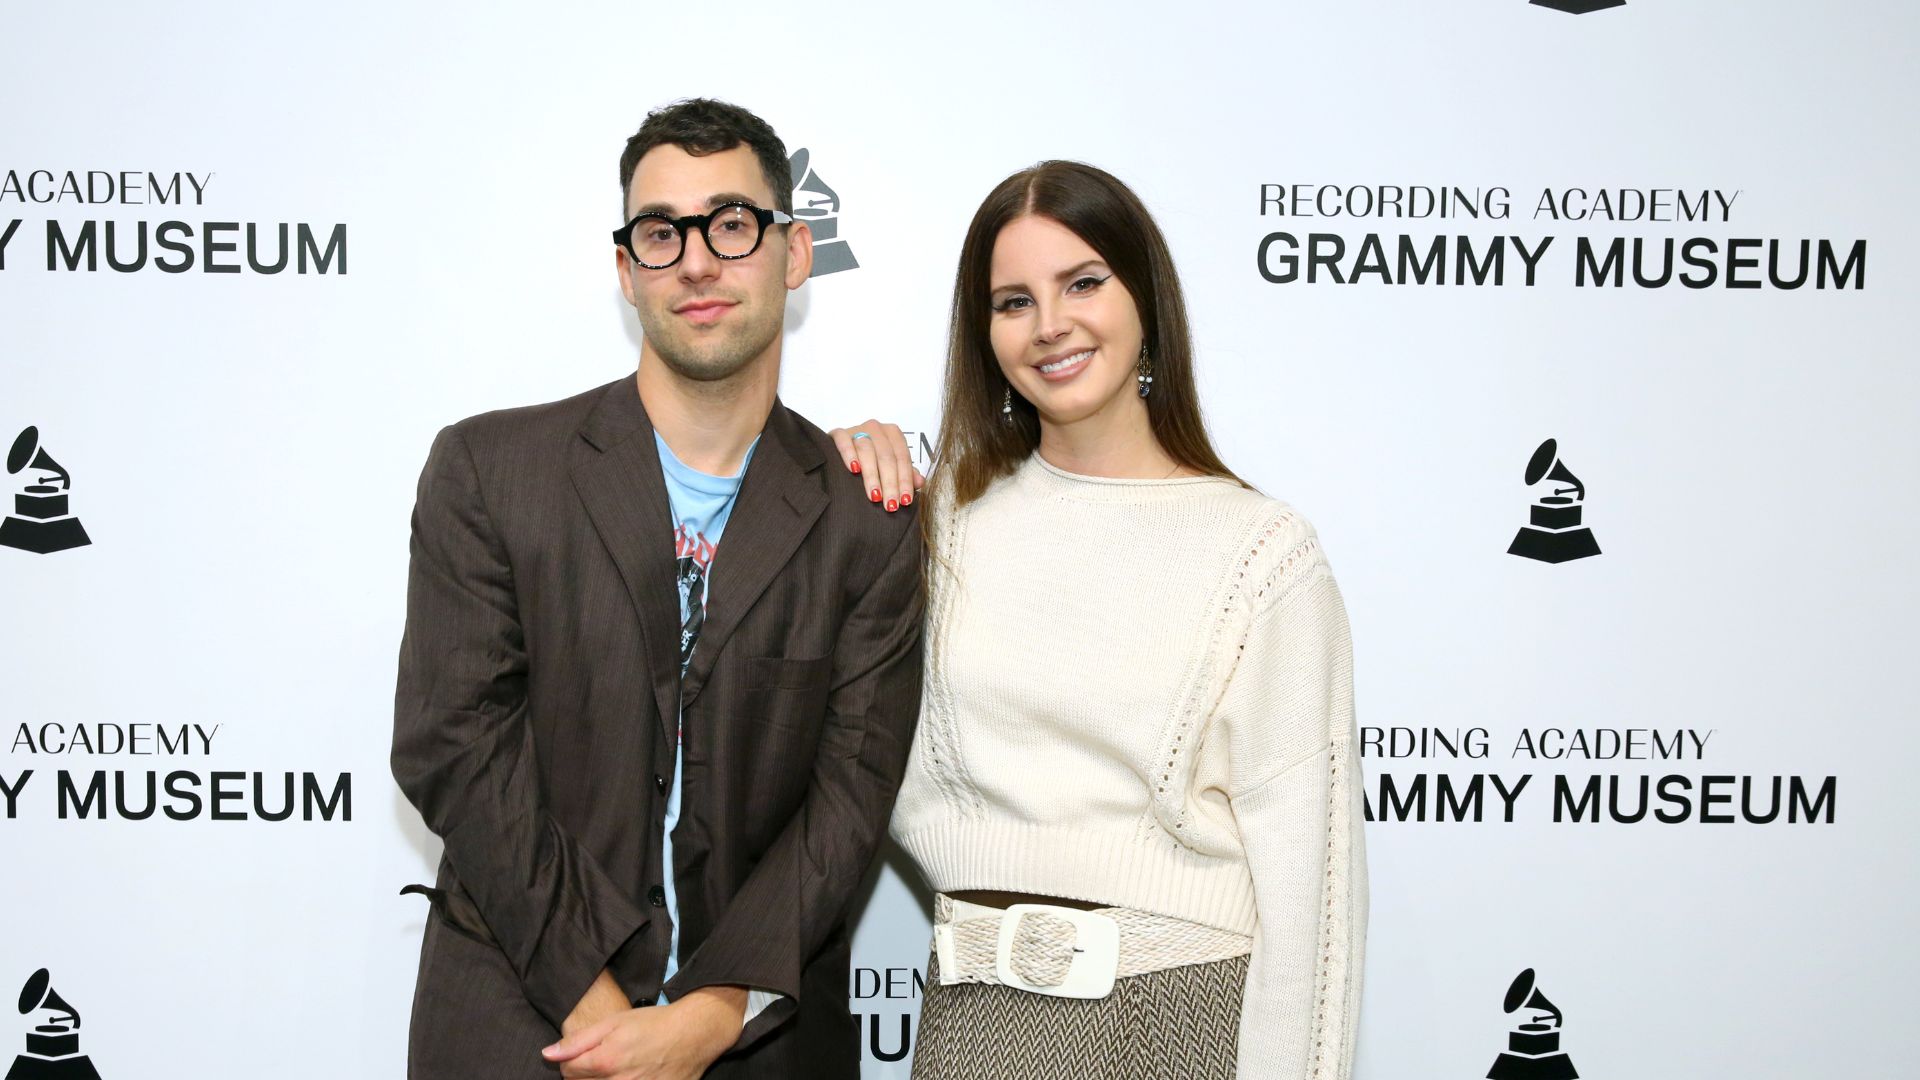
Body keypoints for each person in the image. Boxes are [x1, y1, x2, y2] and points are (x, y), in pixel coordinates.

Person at [391, 98, 924, 1080]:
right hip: (519, 1023)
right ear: (627, 270)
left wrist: (710, 1016)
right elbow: (455, 746)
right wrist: (596, 1003)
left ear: (795, 253)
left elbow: (851, 796)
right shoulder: (490, 472)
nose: (697, 261)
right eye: (660, 232)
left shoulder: (865, 520)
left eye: (732, 224)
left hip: (757, 1040)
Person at [836, 161, 1367, 1078]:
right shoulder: (936, 525)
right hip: (969, 1019)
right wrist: (822, 488)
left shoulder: (1260, 553)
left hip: (1177, 1017)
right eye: (1014, 302)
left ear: (1145, 302)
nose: (1051, 324)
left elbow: (1314, 894)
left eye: (1083, 283)